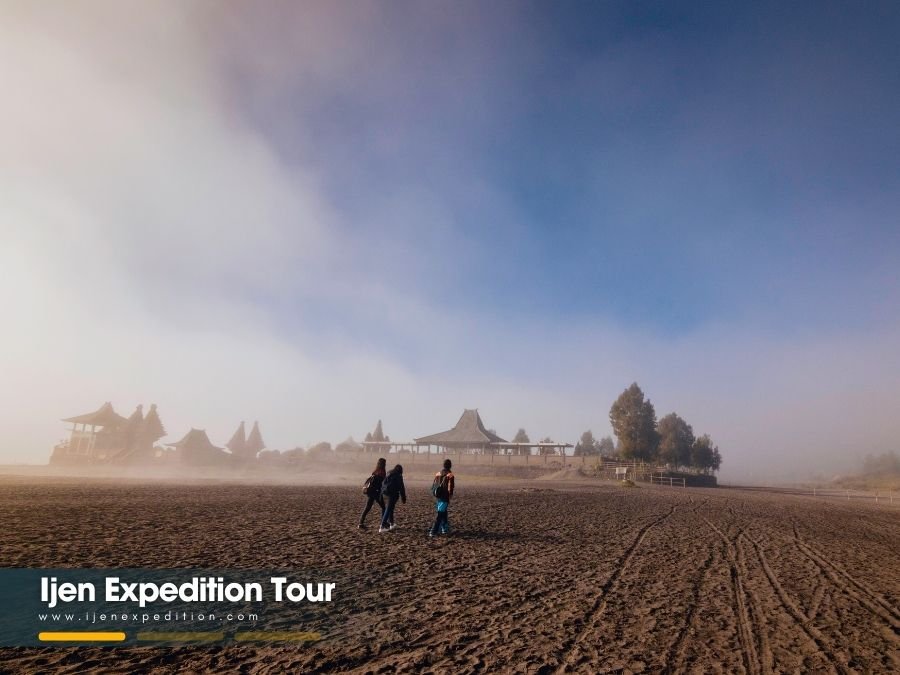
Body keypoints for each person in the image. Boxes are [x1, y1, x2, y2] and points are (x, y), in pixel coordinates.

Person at [359, 457, 387, 529]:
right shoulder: (382, 472)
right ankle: (383, 523)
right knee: (384, 508)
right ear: (384, 464)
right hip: (376, 493)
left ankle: (360, 523)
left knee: (367, 508)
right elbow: (381, 484)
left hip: (371, 492)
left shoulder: (375, 471)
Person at [429, 458, 455, 537]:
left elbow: (433, 485)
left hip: (438, 496)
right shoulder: (450, 475)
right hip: (445, 497)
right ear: (450, 466)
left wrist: (435, 493)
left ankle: (445, 528)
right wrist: (450, 495)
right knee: (440, 514)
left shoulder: (438, 474)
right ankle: (433, 531)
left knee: (444, 512)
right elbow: (450, 486)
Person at [379, 464, 406, 533]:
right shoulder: (398, 476)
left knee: (390, 508)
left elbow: (383, 483)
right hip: (391, 494)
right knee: (388, 509)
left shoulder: (389, 473)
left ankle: (391, 524)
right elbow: (401, 487)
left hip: (384, 493)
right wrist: (403, 498)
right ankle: (382, 526)